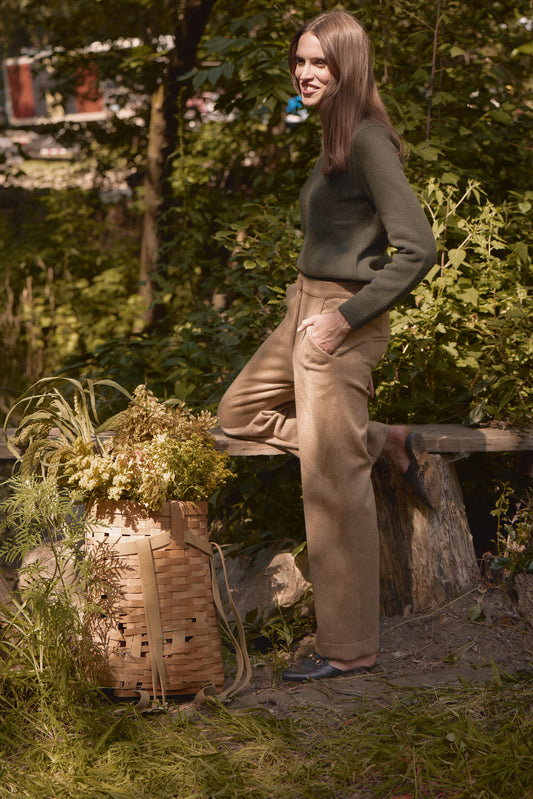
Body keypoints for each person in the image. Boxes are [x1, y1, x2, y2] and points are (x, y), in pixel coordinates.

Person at [217, 10, 439, 681]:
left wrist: (345, 318)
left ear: (348, 67)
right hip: (301, 307)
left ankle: (348, 648)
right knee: (235, 416)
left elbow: (418, 248)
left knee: (330, 484)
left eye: (320, 63)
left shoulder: (369, 140)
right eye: (300, 61)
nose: (306, 73)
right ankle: (379, 440)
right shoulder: (334, 134)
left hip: (338, 321)